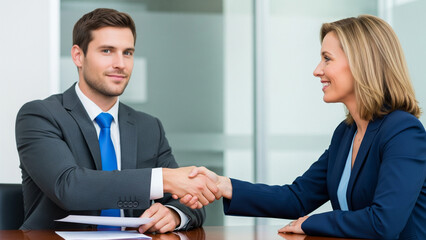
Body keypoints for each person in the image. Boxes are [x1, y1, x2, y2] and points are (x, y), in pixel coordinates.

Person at [179, 15, 426, 239]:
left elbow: (384, 223)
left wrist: (311, 223)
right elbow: (298, 197)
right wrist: (223, 185)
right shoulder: (346, 133)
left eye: (327, 59)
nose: (317, 70)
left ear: (362, 63)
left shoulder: (403, 131)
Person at [15, 8, 218, 232]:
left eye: (128, 53)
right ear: (78, 56)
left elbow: (190, 200)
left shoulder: (149, 127)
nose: (120, 64)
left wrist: (174, 214)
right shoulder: (40, 115)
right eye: (107, 51)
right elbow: (68, 187)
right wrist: (163, 179)